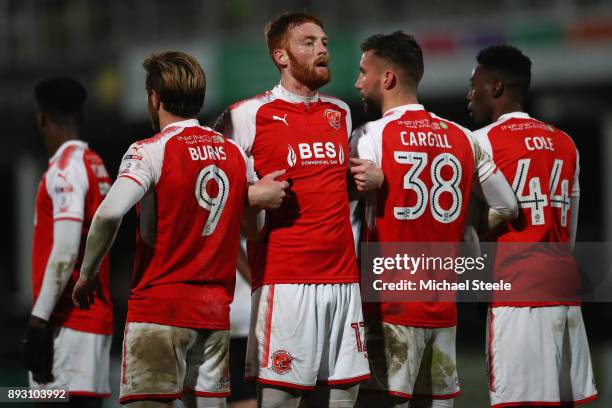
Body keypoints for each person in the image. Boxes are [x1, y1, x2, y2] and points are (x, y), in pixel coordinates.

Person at [72, 51, 288, 407]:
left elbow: (109, 215)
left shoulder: (150, 150)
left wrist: (88, 274)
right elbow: (255, 227)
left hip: (160, 310)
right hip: (214, 315)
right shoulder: (234, 152)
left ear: (154, 98)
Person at [350, 32, 518, 408]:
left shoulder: (370, 136)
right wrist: (462, 230)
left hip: (387, 307)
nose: (358, 82)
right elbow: (507, 205)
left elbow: (344, 219)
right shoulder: (463, 137)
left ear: (388, 79)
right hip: (442, 309)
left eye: (364, 72)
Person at [217, 11, 371, 408]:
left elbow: (332, 190)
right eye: (309, 42)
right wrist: (249, 195)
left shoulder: (340, 112)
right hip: (286, 284)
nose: (322, 49)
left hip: (343, 282)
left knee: (344, 398)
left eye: (324, 42)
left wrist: (367, 184)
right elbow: (211, 188)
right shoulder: (246, 114)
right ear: (280, 57)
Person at [467, 44, 598, 407]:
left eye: (474, 84)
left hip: (517, 297)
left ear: (495, 87)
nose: (469, 94)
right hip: (564, 296)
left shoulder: (480, 143)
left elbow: (473, 232)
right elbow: (568, 236)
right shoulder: (566, 143)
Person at [22, 77, 113, 407]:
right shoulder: (96, 165)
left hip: (67, 323)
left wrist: (38, 320)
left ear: (43, 118)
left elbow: (64, 251)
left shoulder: (64, 170)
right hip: (95, 321)